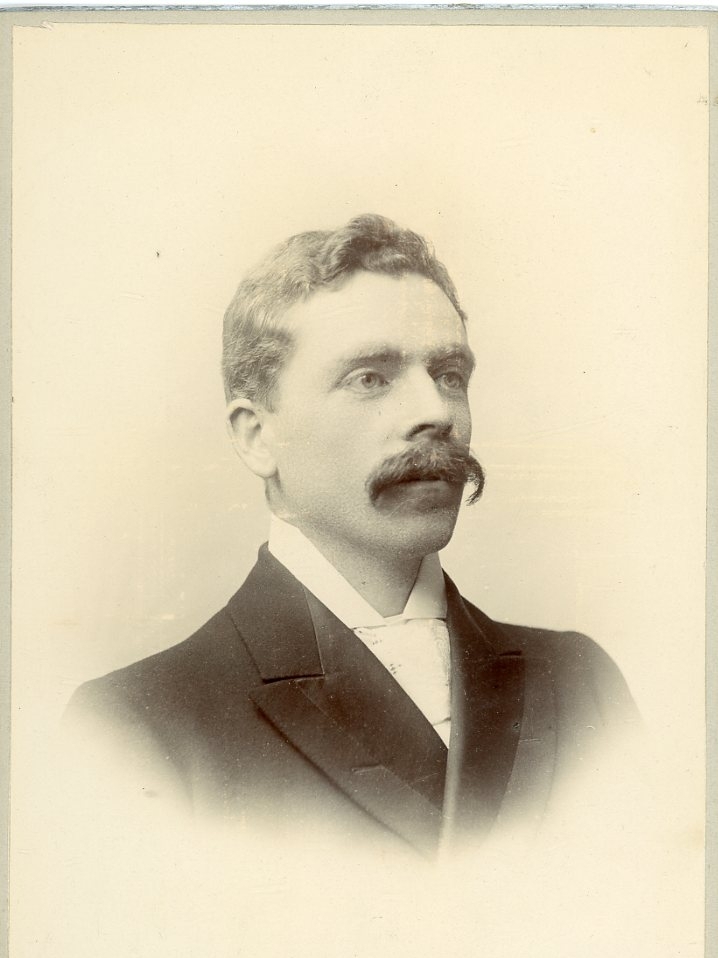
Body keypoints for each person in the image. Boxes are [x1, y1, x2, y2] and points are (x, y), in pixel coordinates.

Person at [65, 214, 638, 860]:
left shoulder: (582, 684)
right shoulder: (138, 728)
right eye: (371, 378)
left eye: (449, 375)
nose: (436, 413)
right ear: (258, 436)